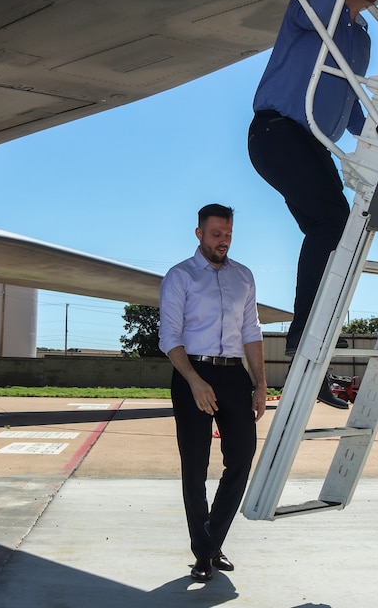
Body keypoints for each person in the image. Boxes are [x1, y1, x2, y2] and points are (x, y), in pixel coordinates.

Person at [247, 0, 378, 408]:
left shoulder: (362, 39)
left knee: (333, 235)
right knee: (332, 222)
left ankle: (310, 358)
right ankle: (304, 336)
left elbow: (349, 110)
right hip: (276, 132)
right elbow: (327, 1)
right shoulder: (309, 3)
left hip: (313, 142)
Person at [159, 204, 267, 582]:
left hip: (234, 375)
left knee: (242, 457)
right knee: (195, 464)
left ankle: (210, 541)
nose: (223, 241)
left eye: (229, 234)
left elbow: (252, 332)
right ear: (199, 233)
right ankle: (204, 552)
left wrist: (260, 383)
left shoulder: (244, 277)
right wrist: (194, 380)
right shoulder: (180, 276)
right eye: (216, 234)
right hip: (193, 373)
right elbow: (169, 338)